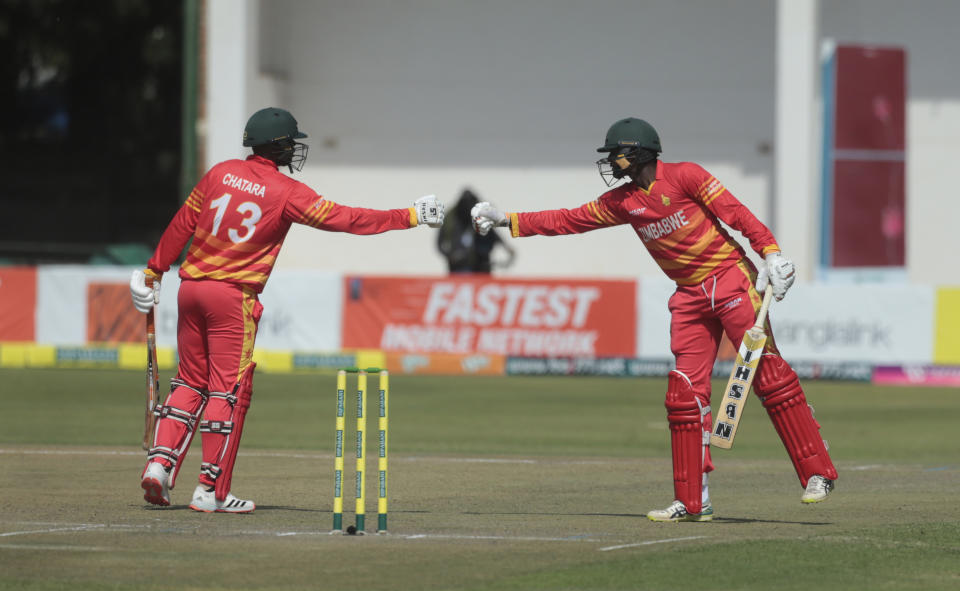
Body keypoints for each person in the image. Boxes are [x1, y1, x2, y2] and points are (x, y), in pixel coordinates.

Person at [471, 117, 837, 522]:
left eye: (617, 154)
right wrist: (507, 220)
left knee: (767, 372)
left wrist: (770, 252)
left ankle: (817, 473)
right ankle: (692, 501)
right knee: (684, 395)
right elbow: (566, 220)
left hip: (731, 280)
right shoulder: (623, 202)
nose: (611, 161)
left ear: (639, 152)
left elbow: (735, 213)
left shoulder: (686, 176)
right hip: (688, 297)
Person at [130, 107, 444, 513]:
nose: (295, 149)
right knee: (228, 389)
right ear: (278, 146)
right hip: (232, 298)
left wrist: (153, 271)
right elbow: (347, 219)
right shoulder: (286, 192)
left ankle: (159, 466)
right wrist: (411, 216)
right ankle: (209, 491)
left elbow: (181, 225)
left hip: (190, 290)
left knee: (190, 382)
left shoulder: (218, 174)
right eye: (292, 142)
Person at [437, 188, 515, 273]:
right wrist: (450, 256)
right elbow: (439, 242)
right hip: (458, 267)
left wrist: (506, 247)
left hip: (481, 265)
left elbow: (492, 233)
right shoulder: (450, 219)